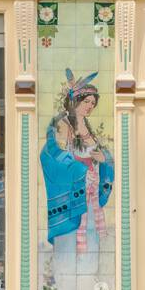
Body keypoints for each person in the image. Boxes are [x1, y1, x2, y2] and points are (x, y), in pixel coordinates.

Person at [41, 70, 113, 254]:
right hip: (76, 187)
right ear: (76, 101)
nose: (90, 106)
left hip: (92, 187)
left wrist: (103, 158)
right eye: (86, 101)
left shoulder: (88, 126)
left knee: (92, 236)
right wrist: (79, 168)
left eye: (93, 103)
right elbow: (53, 154)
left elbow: (103, 154)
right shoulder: (64, 124)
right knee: (75, 237)